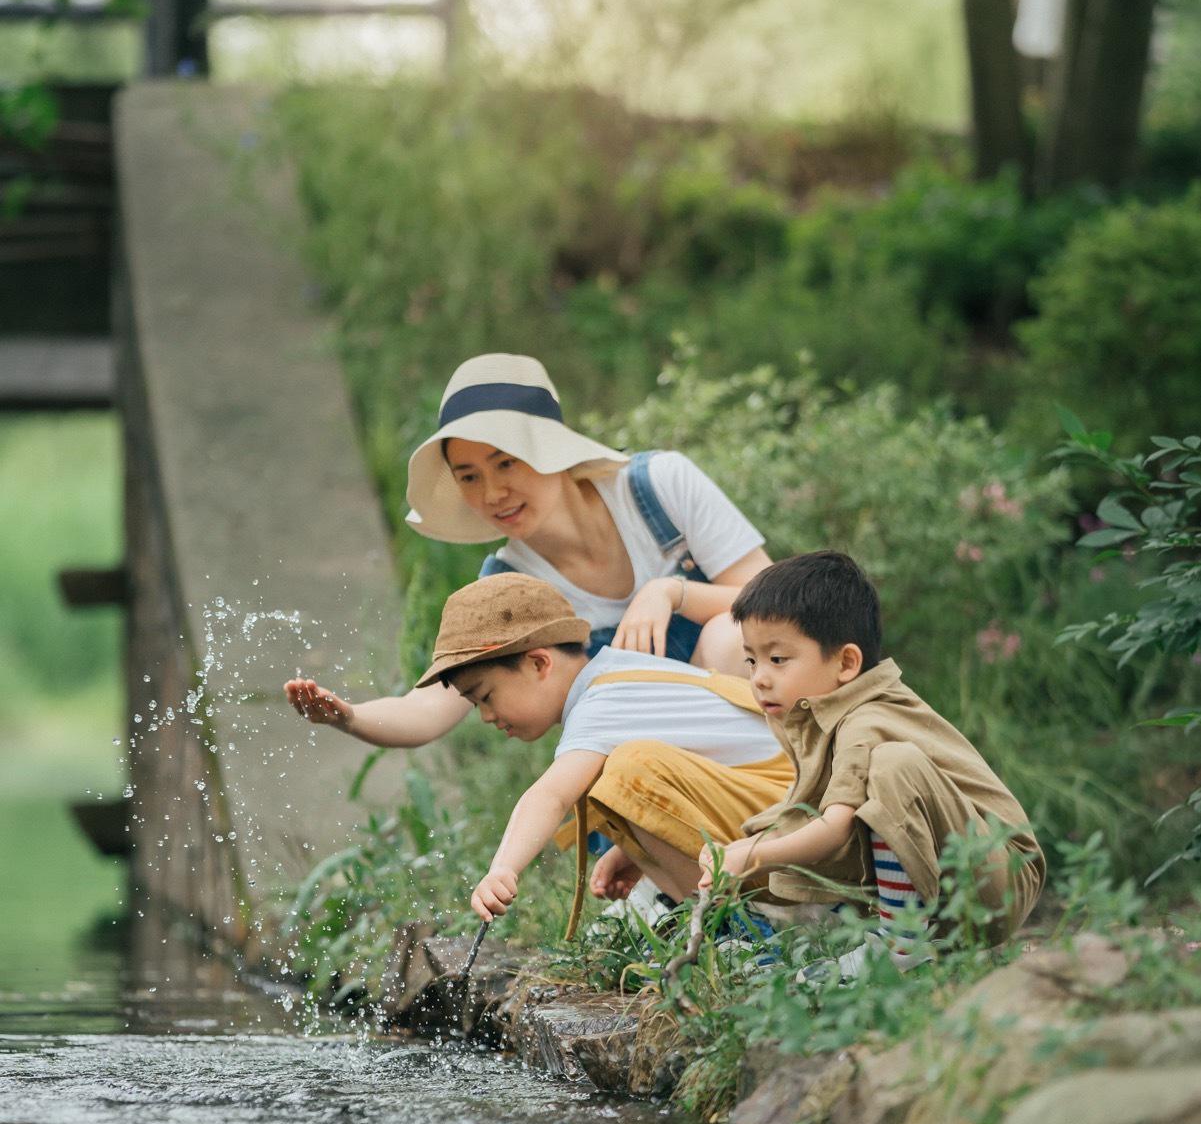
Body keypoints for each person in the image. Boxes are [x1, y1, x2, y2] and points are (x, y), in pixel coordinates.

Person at [285, 353, 771, 754]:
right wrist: (347, 717)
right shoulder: (507, 588)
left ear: (550, 449)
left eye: (506, 463)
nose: (493, 493)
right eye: (469, 476)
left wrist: (670, 592)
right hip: (642, 770)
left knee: (731, 636)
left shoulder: (659, 487)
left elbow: (774, 604)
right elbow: (427, 709)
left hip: (757, 729)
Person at [698, 552, 1045, 965]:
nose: (759, 677)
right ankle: (846, 929)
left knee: (893, 765)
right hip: (952, 888)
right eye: (751, 660)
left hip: (1000, 876)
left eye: (778, 659)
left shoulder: (868, 718)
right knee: (790, 821)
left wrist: (752, 855)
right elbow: (806, 813)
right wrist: (745, 845)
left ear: (846, 663)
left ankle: (899, 946)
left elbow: (834, 831)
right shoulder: (809, 715)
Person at [407, 574, 795, 928]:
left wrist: (503, 870)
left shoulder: (600, 702)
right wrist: (637, 851)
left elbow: (550, 795)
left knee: (629, 773)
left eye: (486, 697)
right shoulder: (617, 677)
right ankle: (713, 919)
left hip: (793, 824)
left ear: (539, 663)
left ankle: (737, 929)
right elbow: (704, 767)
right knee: (618, 780)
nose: (487, 716)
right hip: (778, 812)